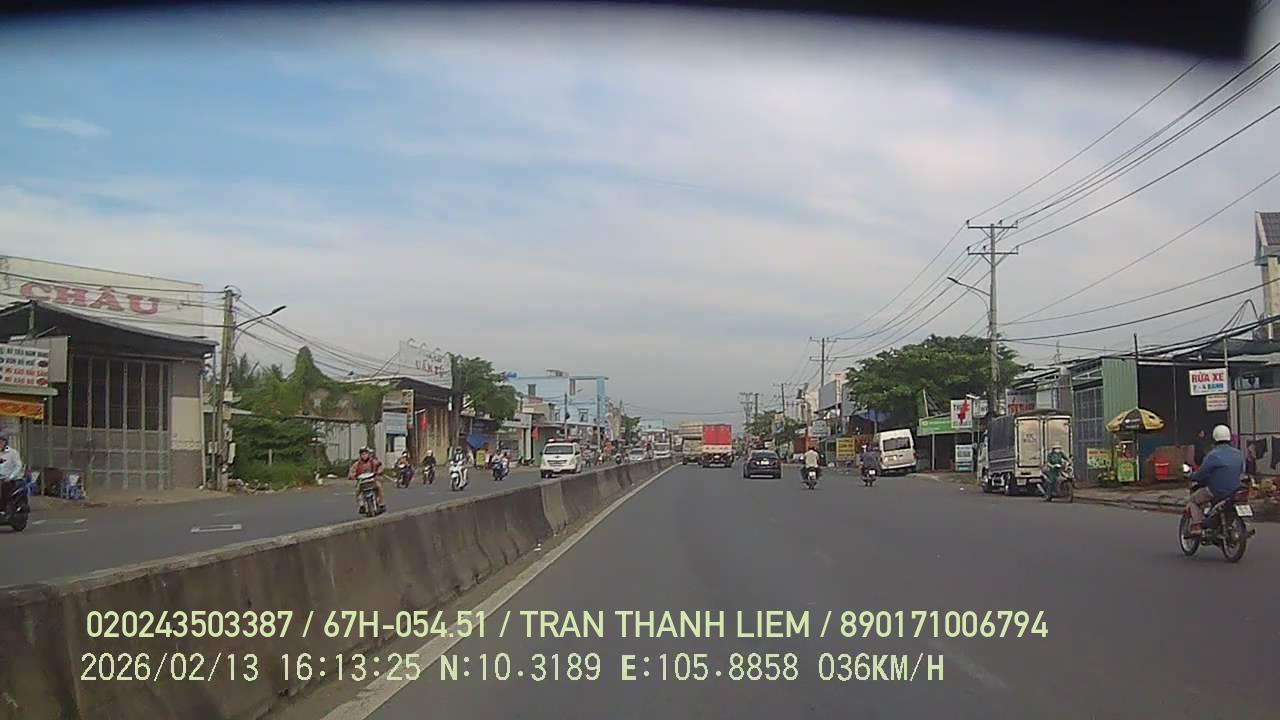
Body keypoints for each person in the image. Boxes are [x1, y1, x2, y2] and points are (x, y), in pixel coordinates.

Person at [1184, 424, 1245, 538]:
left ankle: (1197, 526)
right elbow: (1242, 470)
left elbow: (1201, 474)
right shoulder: (1238, 453)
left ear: (1214, 438)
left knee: (1193, 500)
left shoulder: (1213, 455)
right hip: (1235, 490)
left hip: (1216, 491)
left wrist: (1192, 476)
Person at [348, 446, 385, 511]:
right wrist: (352, 476)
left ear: (368, 454)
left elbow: (380, 467)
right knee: (357, 491)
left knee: (379, 487)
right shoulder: (357, 464)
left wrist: (379, 471)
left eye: (365, 454)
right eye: (362, 454)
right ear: (360, 455)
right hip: (362, 481)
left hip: (372, 479)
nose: (364, 455)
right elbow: (351, 472)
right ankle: (361, 505)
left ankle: (381, 504)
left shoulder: (373, 461)